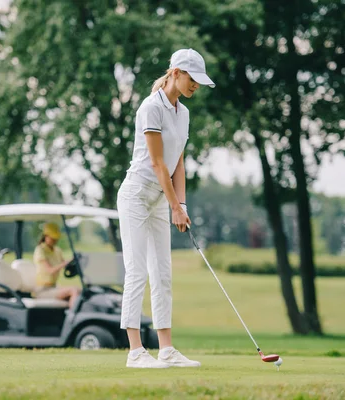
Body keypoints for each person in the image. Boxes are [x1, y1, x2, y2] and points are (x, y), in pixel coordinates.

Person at [117, 48, 216, 368]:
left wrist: (181, 203)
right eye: (192, 79)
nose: (195, 86)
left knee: (163, 272)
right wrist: (175, 206)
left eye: (199, 81)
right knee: (137, 271)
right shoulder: (150, 107)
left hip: (163, 197)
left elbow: (178, 163)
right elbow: (158, 163)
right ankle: (135, 352)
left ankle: (167, 349)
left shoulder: (183, 113)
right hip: (136, 195)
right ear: (175, 72)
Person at [33, 222, 81, 310]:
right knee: (73, 290)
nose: (55, 241)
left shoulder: (57, 250)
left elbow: (65, 265)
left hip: (54, 287)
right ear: (45, 236)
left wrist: (74, 262)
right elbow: (50, 270)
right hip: (42, 290)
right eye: (53, 238)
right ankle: (72, 319)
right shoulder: (40, 250)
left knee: (80, 290)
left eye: (56, 239)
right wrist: (65, 263)